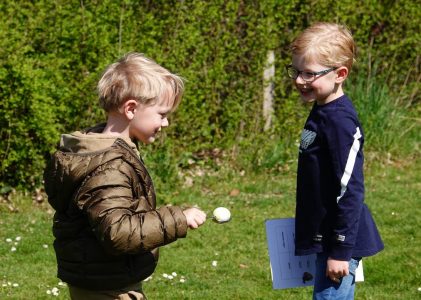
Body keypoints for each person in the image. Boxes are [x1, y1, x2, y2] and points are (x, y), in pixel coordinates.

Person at [43, 52, 207, 300]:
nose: (165, 124)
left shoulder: (100, 150)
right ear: (131, 108)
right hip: (109, 288)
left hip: (102, 278)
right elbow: (118, 232)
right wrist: (178, 219)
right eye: (162, 114)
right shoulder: (109, 167)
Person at [287, 23, 384, 299]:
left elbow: (350, 189)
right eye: (295, 71)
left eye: (309, 73)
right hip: (325, 236)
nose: (298, 80)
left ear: (340, 74)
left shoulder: (340, 121)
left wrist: (340, 250)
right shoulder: (322, 109)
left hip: (338, 243)